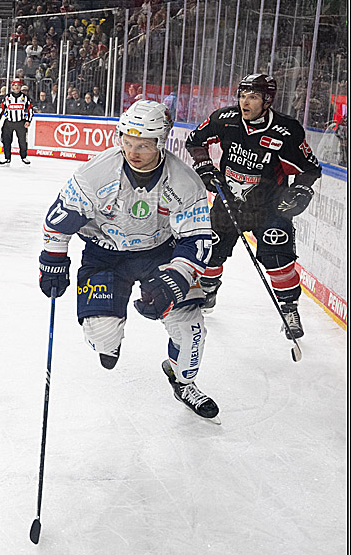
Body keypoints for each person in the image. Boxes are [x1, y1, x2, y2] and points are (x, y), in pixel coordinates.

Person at [38, 100, 218, 420]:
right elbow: (59, 220)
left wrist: (175, 279)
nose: (133, 152)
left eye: (144, 145)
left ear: (160, 143)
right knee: (102, 339)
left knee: (190, 329)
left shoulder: (184, 181)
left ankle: (183, 381)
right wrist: (53, 261)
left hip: (160, 254)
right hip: (104, 255)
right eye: (128, 142)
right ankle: (111, 333)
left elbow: (197, 240)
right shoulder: (96, 173)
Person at [184, 73, 322, 338]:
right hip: (229, 201)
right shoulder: (225, 119)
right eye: (242, 96)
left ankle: (289, 308)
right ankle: (208, 289)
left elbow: (310, 168)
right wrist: (204, 167)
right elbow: (195, 140)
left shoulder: (286, 130)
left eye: (253, 97)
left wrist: (301, 190)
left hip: (269, 207)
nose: (245, 103)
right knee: (211, 251)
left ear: (267, 101)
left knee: (277, 256)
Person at [0, 78, 33, 165]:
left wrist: (28, 121)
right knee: (6, 140)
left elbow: (30, 110)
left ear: (21, 87)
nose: (16, 87)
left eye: (18, 85)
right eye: (15, 85)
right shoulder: (7, 97)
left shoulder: (25, 98)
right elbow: (1, 109)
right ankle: (7, 158)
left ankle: (24, 157)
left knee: (22, 141)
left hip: (21, 122)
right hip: (9, 122)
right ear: (12, 86)